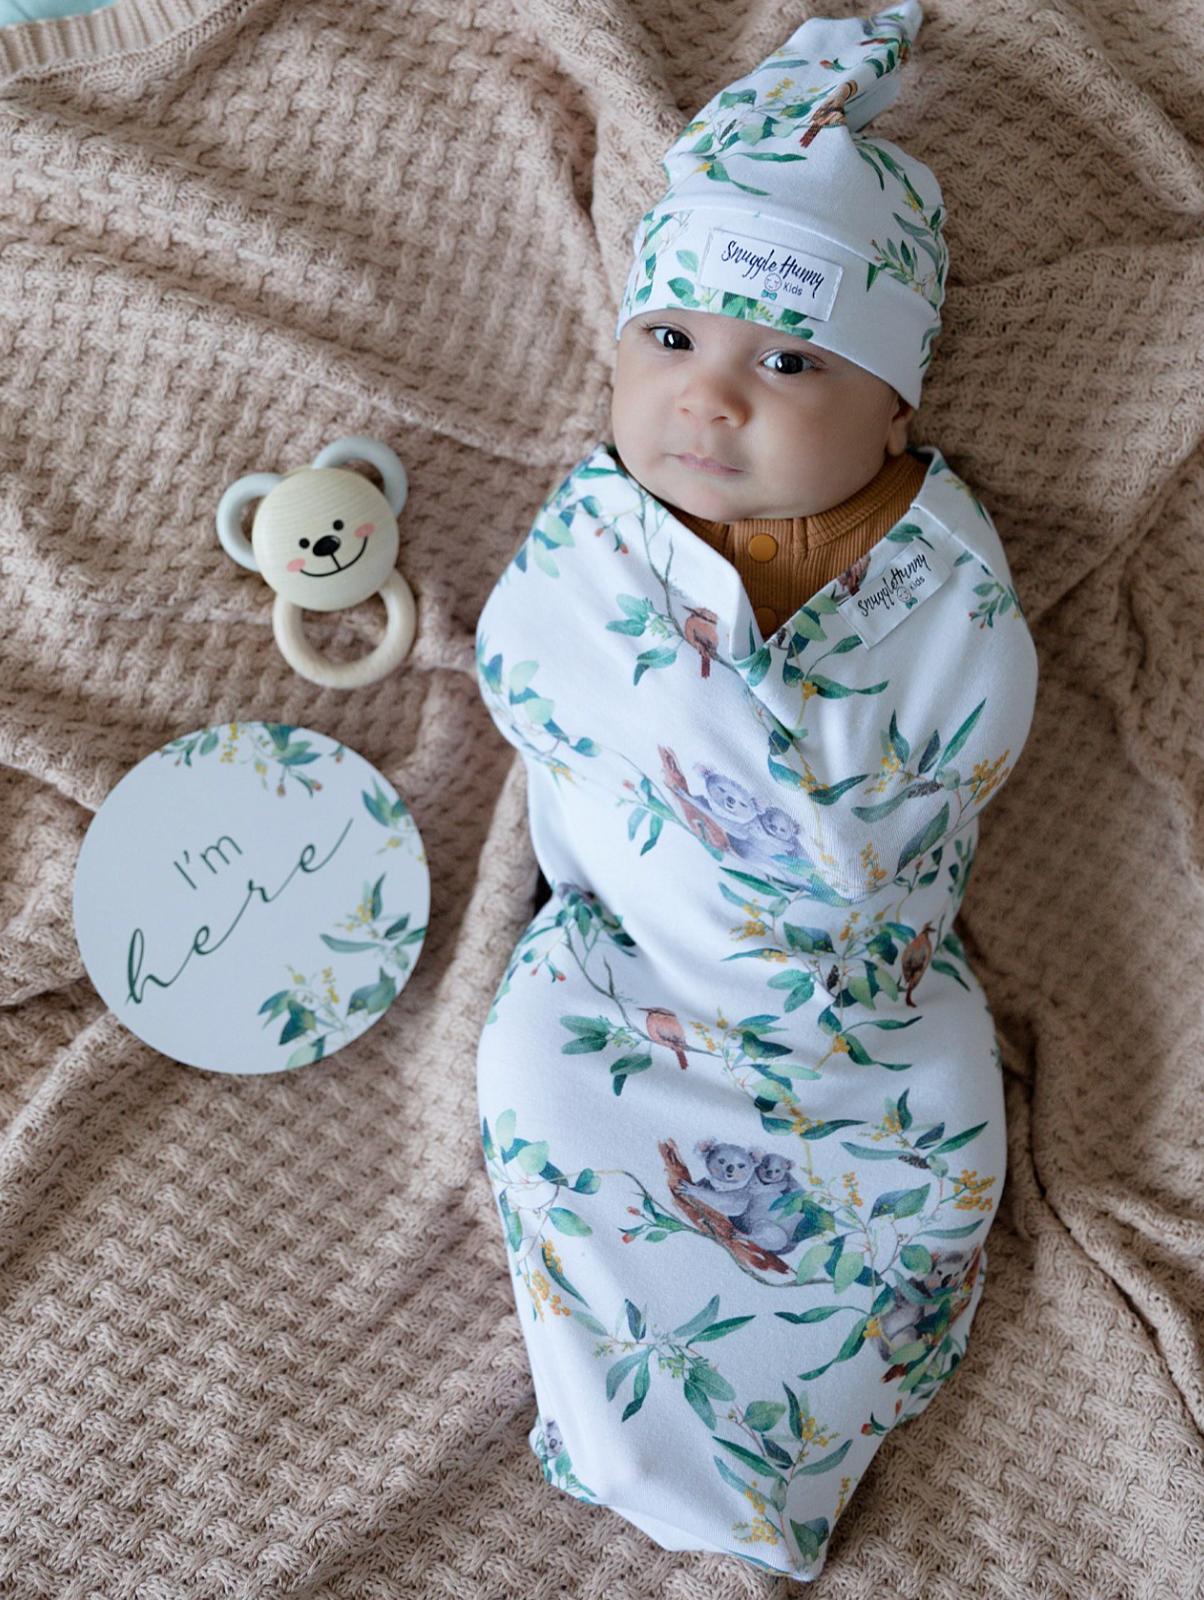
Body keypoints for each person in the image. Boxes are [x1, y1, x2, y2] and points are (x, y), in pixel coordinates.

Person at [473, 2, 1039, 1581]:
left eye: (786, 360)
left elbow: (966, 739)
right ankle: (618, 1412)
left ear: (895, 409)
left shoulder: (938, 565)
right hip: (636, 978)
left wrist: (816, 824)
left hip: (859, 1011)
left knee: (949, 1132)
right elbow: (534, 670)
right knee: (536, 1072)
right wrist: (687, 722)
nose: (708, 399)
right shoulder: (600, 532)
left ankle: (789, 1447)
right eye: (671, 341)